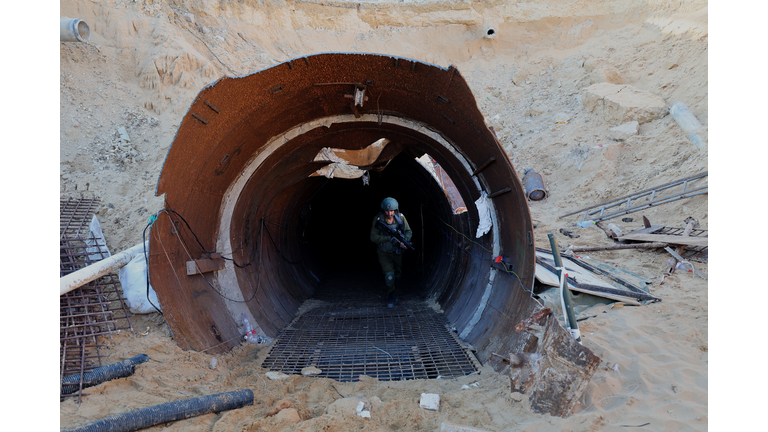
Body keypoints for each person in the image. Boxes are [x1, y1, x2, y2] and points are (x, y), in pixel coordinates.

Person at [370, 197, 413, 308]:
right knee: (389, 275)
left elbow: (408, 231)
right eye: (387, 211)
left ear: (396, 210)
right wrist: (389, 238)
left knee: (397, 275)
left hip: (397, 251)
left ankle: (390, 287)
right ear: (383, 210)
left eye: (392, 211)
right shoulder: (378, 219)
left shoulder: (400, 218)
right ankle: (391, 295)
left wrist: (405, 241)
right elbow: (373, 237)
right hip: (383, 252)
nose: (389, 213)